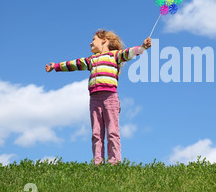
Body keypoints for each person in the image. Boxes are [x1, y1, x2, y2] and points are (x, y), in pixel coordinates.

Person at [46, 29, 152, 165]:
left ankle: (114, 162)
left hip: (110, 97)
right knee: (96, 133)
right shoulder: (91, 60)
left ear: (104, 40)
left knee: (112, 131)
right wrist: (55, 66)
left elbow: (130, 53)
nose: (90, 43)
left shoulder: (115, 55)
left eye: (93, 40)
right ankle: (98, 162)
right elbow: (74, 64)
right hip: (94, 99)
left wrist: (143, 47)